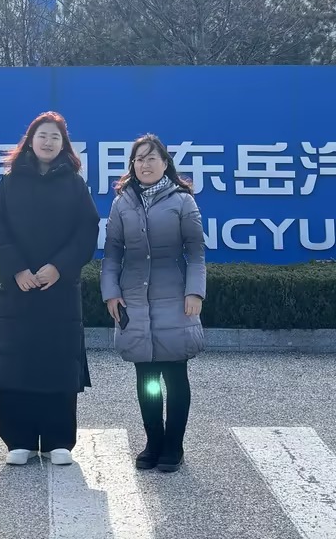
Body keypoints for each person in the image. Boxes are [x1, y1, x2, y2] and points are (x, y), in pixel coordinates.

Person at [0, 111, 101, 467]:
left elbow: (87, 230)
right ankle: (18, 439)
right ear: (30, 141)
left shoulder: (75, 184)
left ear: (64, 145)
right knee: (15, 363)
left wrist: (59, 267)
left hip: (59, 290)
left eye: (55, 137)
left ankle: (57, 440)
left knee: (57, 361)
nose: (48, 142)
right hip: (18, 290)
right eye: (42, 135)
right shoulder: (9, 183)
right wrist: (16, 268)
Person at [100, 134, 206, 473]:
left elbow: (196, 253)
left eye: (151, 158)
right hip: (133, 299)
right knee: (145, 374)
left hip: (175, 298)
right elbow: (112, 253)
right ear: (132, 165)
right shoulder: (122, 203)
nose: (145, 164)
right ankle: (153, 442)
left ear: (165, 163)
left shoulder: (183, 201)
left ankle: (174, 445)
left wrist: (195, 292)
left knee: (174, 373)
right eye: (139, 159)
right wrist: (110, 292)